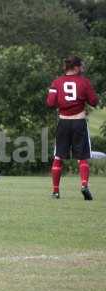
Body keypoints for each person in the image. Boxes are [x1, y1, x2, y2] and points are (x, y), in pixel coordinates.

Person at [46, 55, 98, 200]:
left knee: (58, 157)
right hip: (79, 122)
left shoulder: (56, 82)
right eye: (81, 66)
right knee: (82, 157)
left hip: (63, 123)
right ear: (75, 67)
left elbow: (50, 103)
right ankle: (84, 185)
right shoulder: (84, 82)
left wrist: (62, 104)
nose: (82, 68)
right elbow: (94, 101)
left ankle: (55, 192)